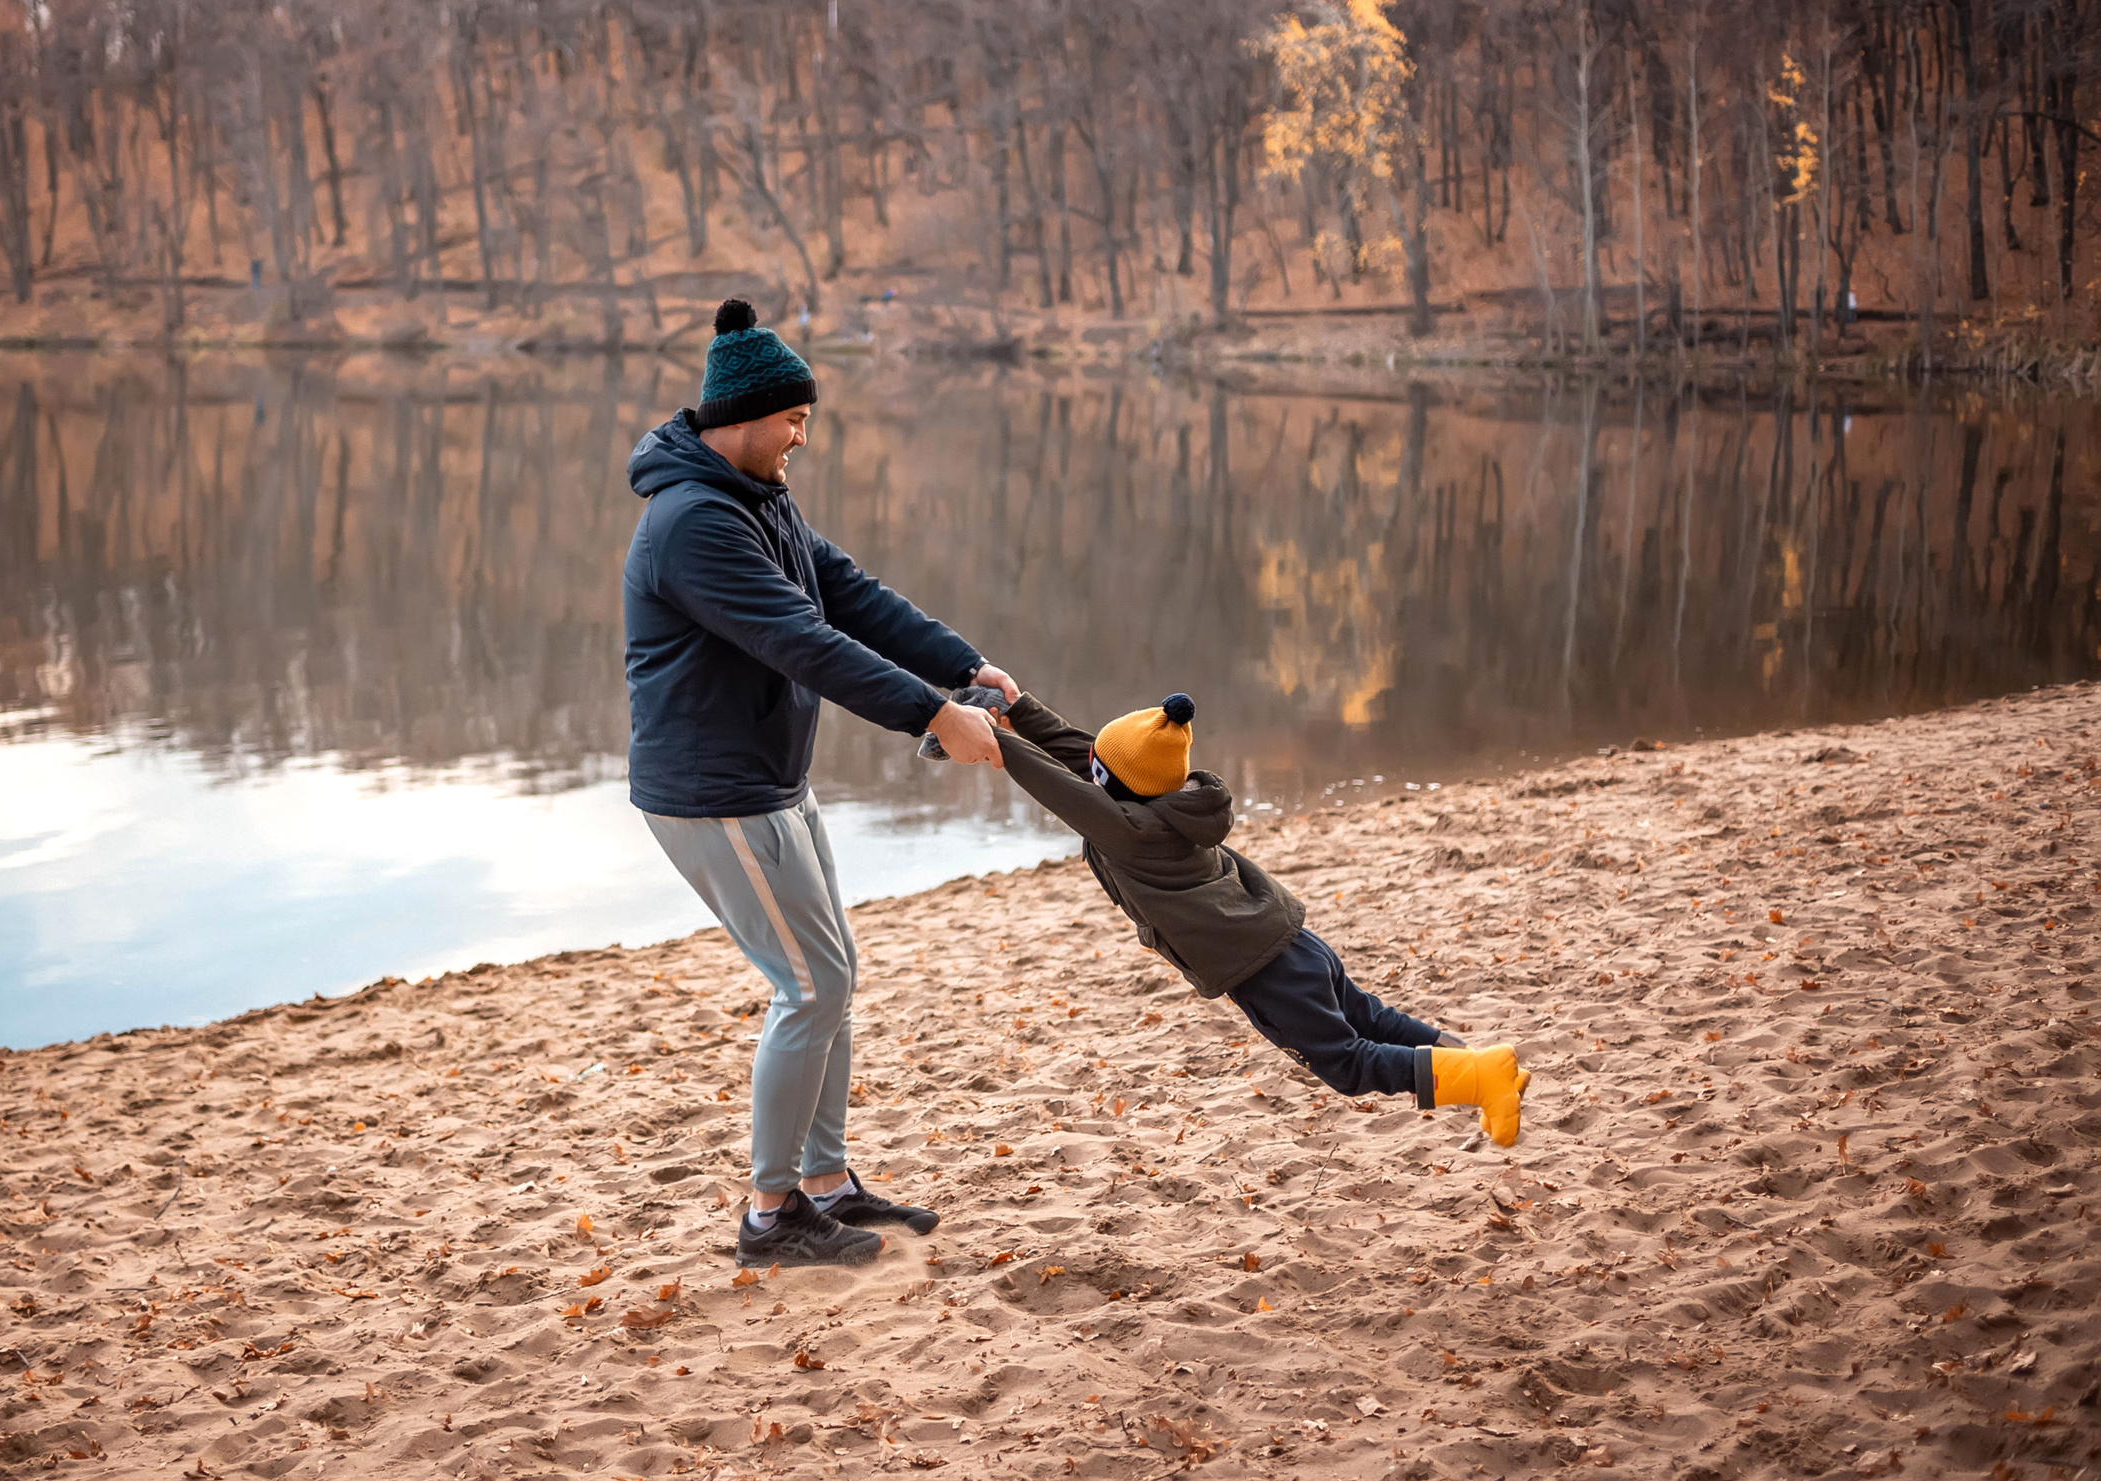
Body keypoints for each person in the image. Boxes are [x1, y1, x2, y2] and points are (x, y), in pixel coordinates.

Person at [625, 296, 1019, 1267]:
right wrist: (933, 715)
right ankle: (770, 1216)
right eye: (794, 419)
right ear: (746, 417)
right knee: (812, 985)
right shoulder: (691, 524)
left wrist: (961, 664)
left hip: (772, 778)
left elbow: (845, 593)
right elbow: (803, 643)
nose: (803, 436)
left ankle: (827, 1183)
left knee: (831, 973)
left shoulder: (758, 497)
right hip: (713, 793)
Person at [945, 688, 1531, 1145]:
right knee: (1368, 1017)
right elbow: (1085, 756)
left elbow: (1058, 786)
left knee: (1348, 1065)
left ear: (1115, 785)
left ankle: (1481, 1079)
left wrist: (997, 742)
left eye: (1098, 768)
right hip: (1288, 937)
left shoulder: (1129, 829)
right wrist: (1017, 708)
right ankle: (1485, 1069)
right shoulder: (1167, 801)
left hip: (1266, 970)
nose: (1088, 766)